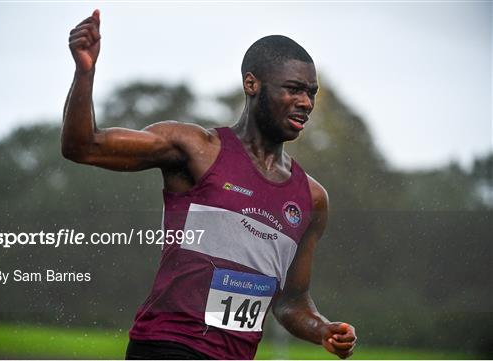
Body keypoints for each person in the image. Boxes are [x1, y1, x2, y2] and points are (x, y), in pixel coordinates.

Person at [62, 9, 357, 360]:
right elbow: (83, 146)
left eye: (311, 92)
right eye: (293, 89)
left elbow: (291, 302)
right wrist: (85, 72)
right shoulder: (196, 149)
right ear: (252, 84)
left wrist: (323, 329)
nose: (306, 103)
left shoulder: (311, 198)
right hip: (168, 346)